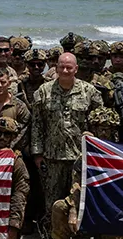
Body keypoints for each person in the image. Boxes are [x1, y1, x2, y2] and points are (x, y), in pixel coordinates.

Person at [30, 52, 103, 211]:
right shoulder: (44, 91)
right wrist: (37, 153)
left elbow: (99, 124)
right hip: (52, 157)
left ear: (75, 69)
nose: (64, 71)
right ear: (56, 68)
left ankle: (77, 235)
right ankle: (51, 234)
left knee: (79, 201)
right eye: (61, 67)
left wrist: (94, 151)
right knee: (52, 201)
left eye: (68, 67)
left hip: (80, 156)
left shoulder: (89, 92)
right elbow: (36, 124)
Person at [85, 108, 123, 239]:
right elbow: (76, 184)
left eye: (108, 128)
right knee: (60, 208)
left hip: (113, 209)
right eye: (99, 128)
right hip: (89, 205)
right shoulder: (87, 153)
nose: (103, 132)